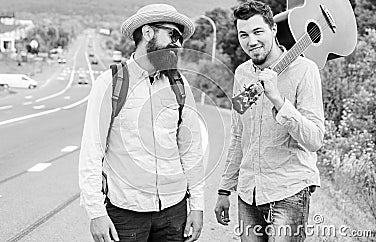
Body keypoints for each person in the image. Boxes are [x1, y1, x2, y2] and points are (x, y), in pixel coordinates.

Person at [79, 4, 205, 242]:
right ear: (147, 32)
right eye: (172, 35)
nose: (178, 44)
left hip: (174, 210)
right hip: (126, 213)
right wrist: (95, 212)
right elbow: (91, 152)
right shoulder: (110, 84)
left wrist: (197, 205)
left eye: (180, 38)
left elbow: (191, 149)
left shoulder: (179, 85)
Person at [214, 1, 325, 241]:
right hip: (248, 195)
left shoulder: (305, 70)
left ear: (273, 30)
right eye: (243, 34)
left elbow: (315, 139)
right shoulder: (242, 74)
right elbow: (238, 135)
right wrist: (225, 189)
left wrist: (278, 99)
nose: (251, 41)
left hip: (289, 192)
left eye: (257, 32)